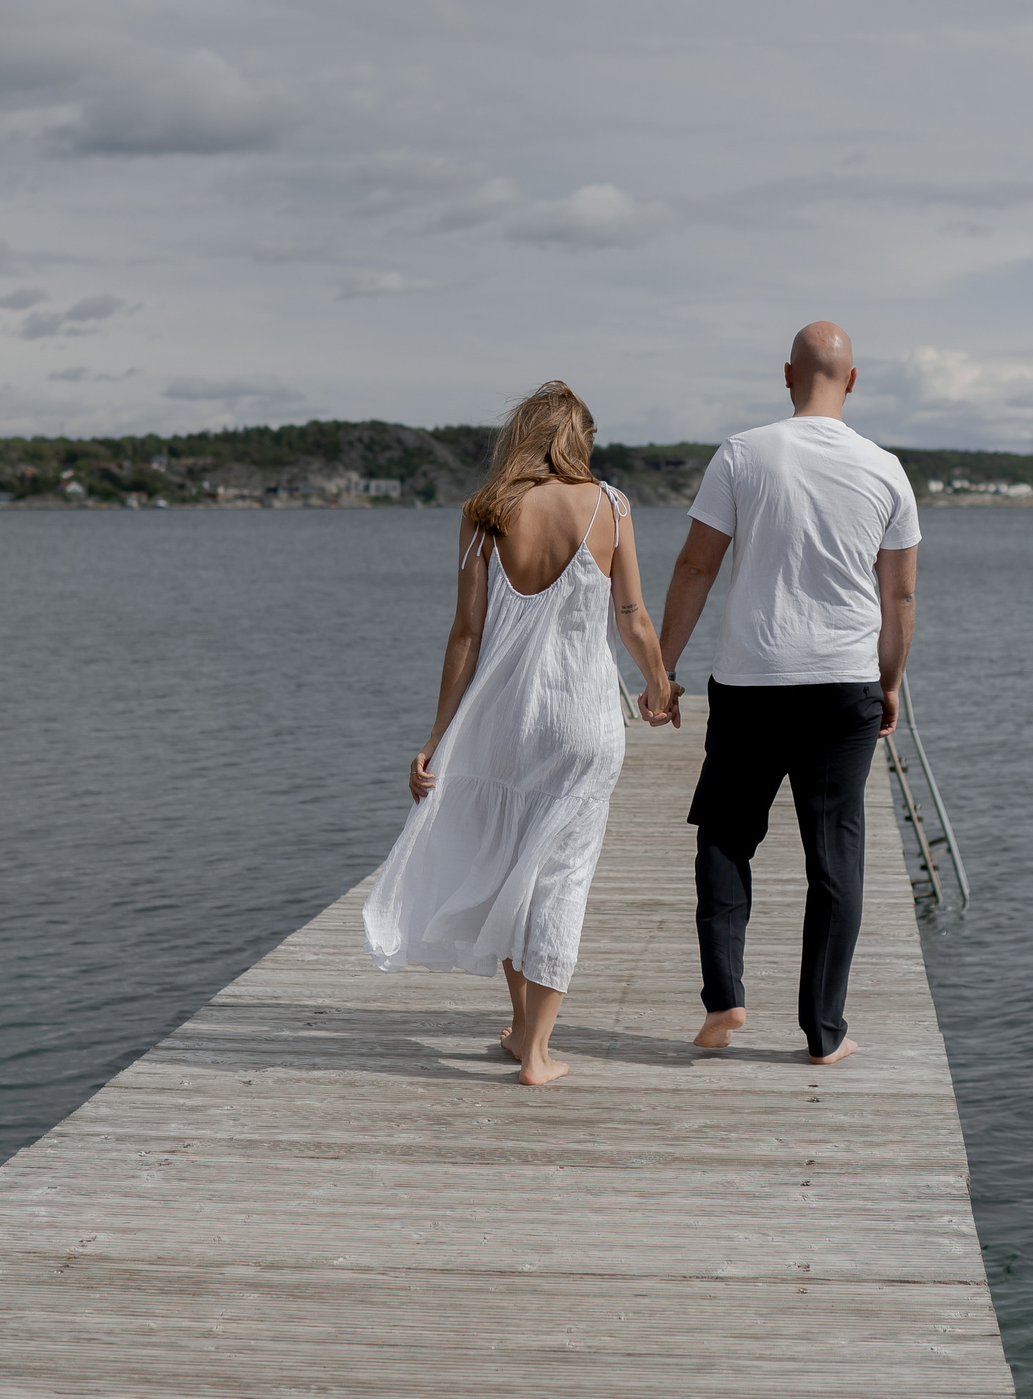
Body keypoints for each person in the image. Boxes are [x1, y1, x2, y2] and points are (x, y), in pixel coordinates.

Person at [363, 381, 677, 1086]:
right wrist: (658, 683)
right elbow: (631, 616)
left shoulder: (486, 513)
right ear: (578, 440)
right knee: (560, 880)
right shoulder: (612, 506)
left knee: (510, 865)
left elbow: (464, 637)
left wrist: (436, 736)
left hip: (503, 723)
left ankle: (515, 1030)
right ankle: (536, 1051)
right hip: (583, 723)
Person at [647, 321, 919, 1066]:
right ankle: (824, 1033)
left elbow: (697, 568)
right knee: (836, 858)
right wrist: (889, 681)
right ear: (853, 381)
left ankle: (725, 996)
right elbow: (898, 598)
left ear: (786, 374)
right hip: (845, 685)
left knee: (727, 836)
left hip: (751, 683)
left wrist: (661, 670)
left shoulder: (742, 453)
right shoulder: (885, 469)